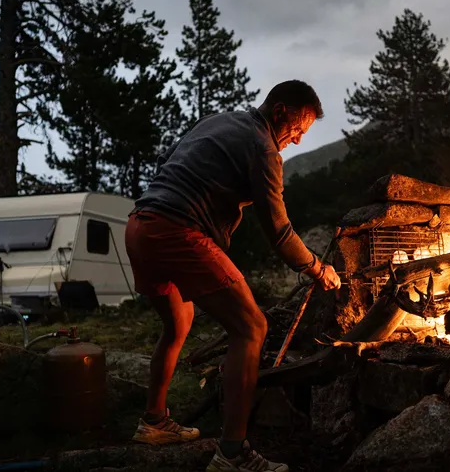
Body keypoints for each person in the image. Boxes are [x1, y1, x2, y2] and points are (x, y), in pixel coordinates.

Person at [125, 80, 341, 472]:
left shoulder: (220, 121)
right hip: (175, 230)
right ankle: (233, 453)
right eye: (297, 130)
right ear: (279, 113)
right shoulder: (263, 147)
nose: (294, 141)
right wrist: (316, 267)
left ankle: (153, 422)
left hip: (140, 227)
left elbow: (173, 163)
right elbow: (279, 230)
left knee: (179, 321)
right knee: (251, 327)